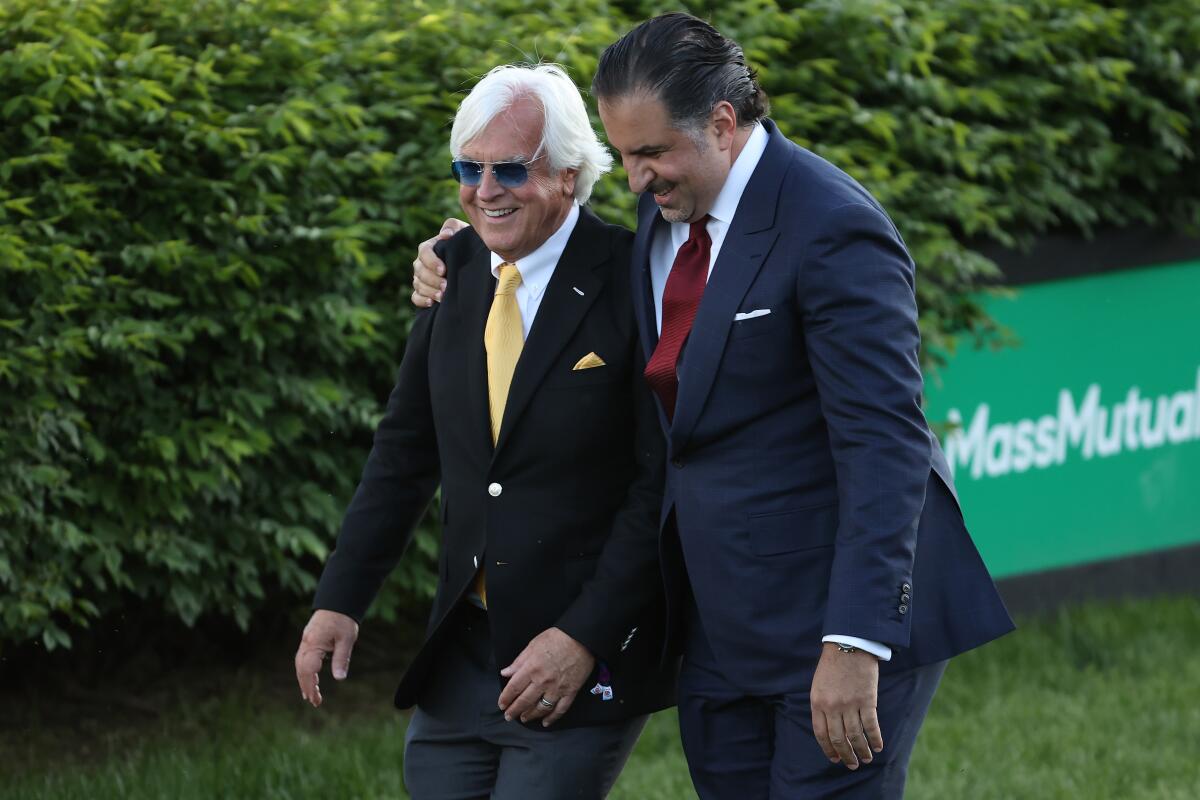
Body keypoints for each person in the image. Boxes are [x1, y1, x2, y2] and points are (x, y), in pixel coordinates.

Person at [412, 13, 1015, 799]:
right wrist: (461, 254)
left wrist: (855, 640)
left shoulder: (834, 228)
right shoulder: (665, 207)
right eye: (623, 155)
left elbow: (886, 446)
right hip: (717, 628)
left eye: (651, 153)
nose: (633, 178)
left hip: (830, 622)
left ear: (723, 125)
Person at [294, 63, 676, 800]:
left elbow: (656, 484)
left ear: (569, 175)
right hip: (462, 652)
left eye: (510, 168)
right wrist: (338, 600)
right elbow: (406, 453)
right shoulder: (454, 268)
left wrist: (583, 638)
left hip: (573, 658)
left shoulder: (635, 279)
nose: (485, 188)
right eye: (469, 166)